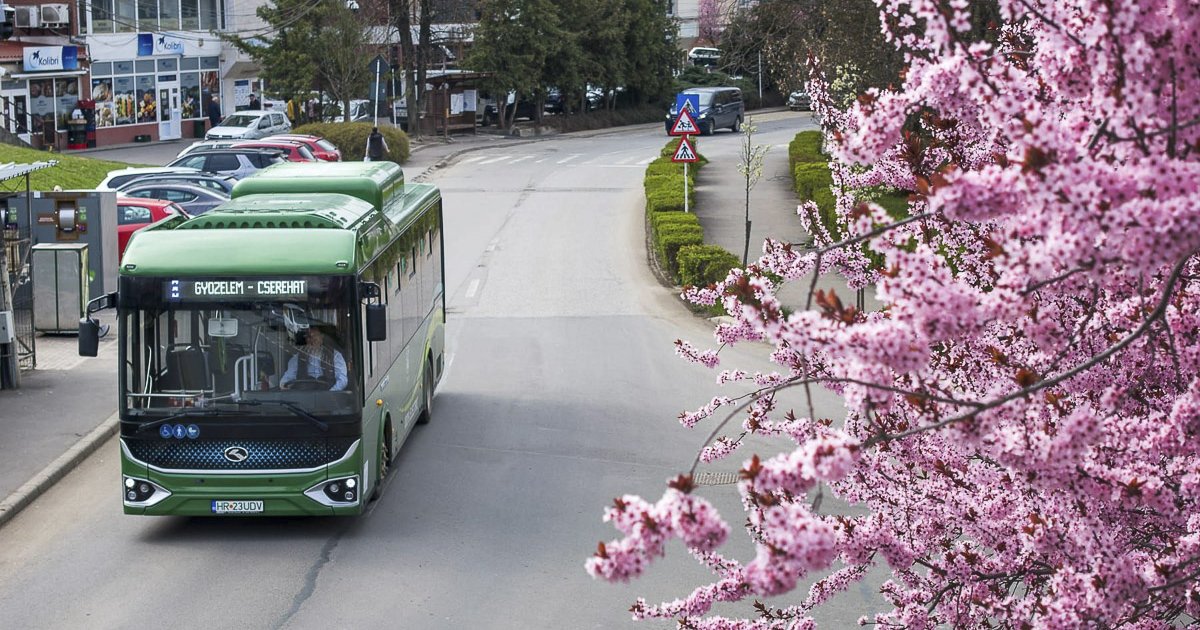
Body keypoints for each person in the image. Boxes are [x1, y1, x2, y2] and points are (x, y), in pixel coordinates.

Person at [279, 327, 347, 391]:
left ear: (322, 337)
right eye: (309, 337)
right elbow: (287, 378)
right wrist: (284, 385)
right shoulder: (297, 358)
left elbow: (342, 380)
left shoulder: (335, 356)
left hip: (329, 398)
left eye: (314, 337)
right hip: (305, 398)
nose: (312, 340)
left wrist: (330, 393)